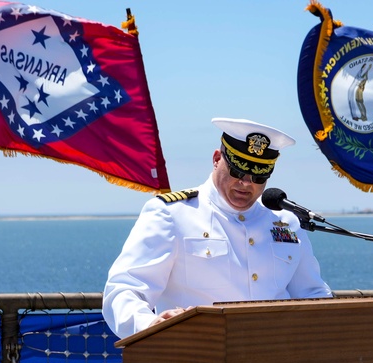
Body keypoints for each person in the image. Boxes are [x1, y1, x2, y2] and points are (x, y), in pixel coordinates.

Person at [102, 118, 332, 339]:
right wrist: (150, 324)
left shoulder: (285, 221)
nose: (246, 182)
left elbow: (312, 293)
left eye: (259, 175)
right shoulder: (171, 214)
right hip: (198, 358)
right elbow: (124, 289)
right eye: (238, 170)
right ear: (216, 159)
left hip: (275, 360)